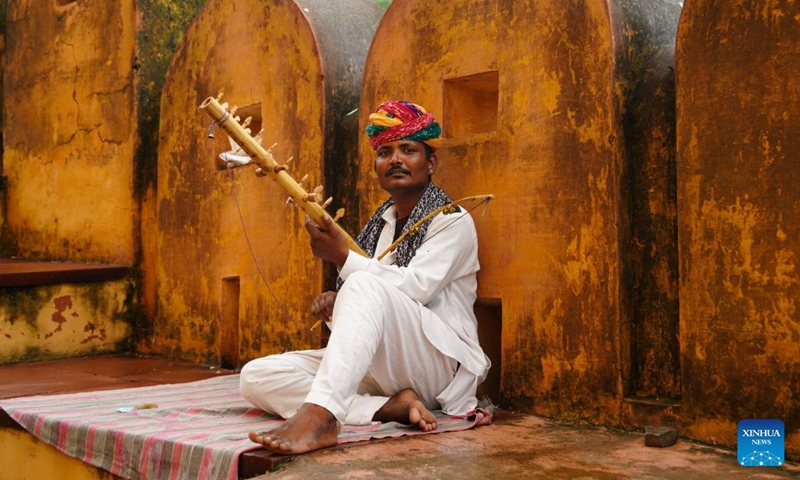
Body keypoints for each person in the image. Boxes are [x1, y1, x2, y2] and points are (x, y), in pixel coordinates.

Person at [240, 100, 490, 454]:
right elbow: (372, 305)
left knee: (360, 282)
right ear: (376, 167)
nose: (396, 160)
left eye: (408, 150)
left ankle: (323, 415)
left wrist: (344, 259)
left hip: (436, 366)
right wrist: (338, 303)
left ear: (430, 163)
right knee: (256, 376)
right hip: (384, 369)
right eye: (385, 152)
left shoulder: (452, 220)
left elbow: (416, 289)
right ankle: (385, 407)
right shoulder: (381, 223)